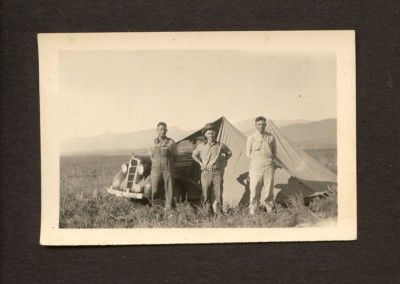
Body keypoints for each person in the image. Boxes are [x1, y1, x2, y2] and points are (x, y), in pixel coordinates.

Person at [192, 123, 232, 214]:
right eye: (209, 133)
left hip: (217, 172)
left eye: (213, 133)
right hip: (205, 173)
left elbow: (229, 153)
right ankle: (208, 213)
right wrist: (200, 163)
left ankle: (219, 214)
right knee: (206, 194)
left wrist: (223, 161)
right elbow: (194, 155)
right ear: (205, 135)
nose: (211, 135)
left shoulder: (221, 145)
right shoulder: (201, 146)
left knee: (218, 194)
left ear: (215, 134)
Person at [246, 116, 278, 215]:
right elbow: (248, 153)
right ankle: (253, 210)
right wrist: (256, 161)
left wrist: (269, 161)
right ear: (255, 125)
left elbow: (274, 152)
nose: (261, 126)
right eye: (259, 124)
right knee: (255, 188)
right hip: (256, 166)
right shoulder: (251, 138)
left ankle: (270, 210)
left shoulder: (271, 137)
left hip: (268, 166)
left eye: (263, 124)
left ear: (266, 125)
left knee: (269, 189)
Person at [148, 122, 178, 210]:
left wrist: (168, 164)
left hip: (168, 169)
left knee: (169, 189)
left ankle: (170, 210)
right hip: (156, 170)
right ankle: (156, 209)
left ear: (167, 130)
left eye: (164, 129)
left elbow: (176, 156)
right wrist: (156, 165)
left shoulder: (171, 142)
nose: (163, 131)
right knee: (156, 188)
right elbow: (151, 156)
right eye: (160, 129)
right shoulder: (152, 143)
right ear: (157, 130)